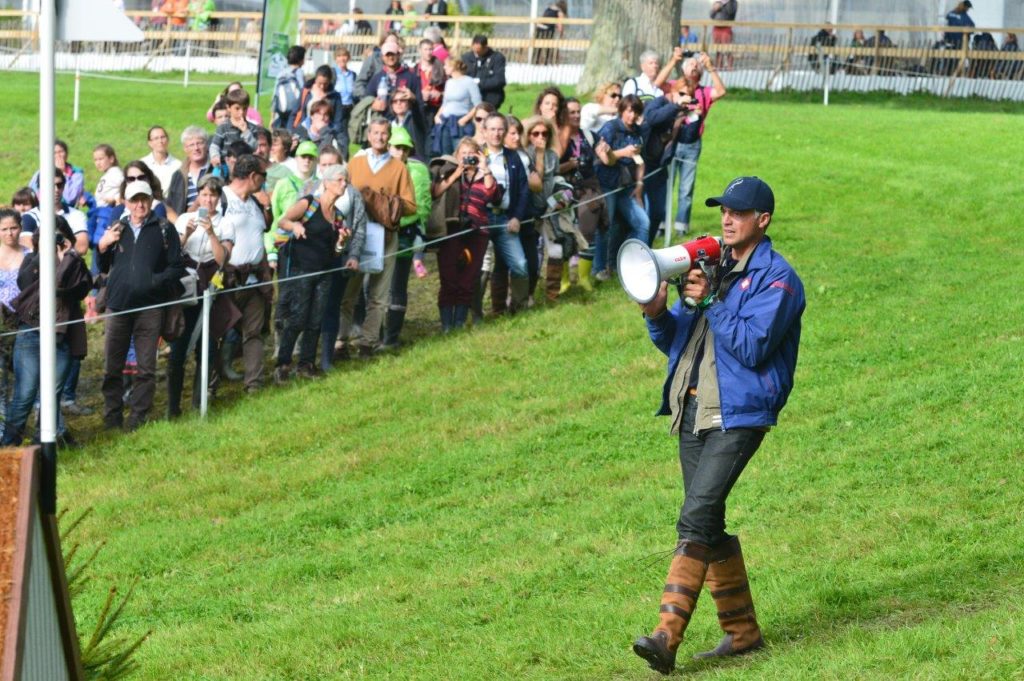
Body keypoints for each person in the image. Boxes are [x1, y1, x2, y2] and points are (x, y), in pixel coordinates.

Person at [631, 176, 805, 675]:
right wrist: (657, 312)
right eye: (723, 210)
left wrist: (711, 300)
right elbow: (679, 343)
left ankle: (666, 635)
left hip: (739, 416)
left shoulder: (779, 280)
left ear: (762, 220)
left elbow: (752, 347)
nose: (726, 219)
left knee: (696, 516)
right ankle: (743, 633)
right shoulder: (713, 267)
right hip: (693, 409)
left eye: (738, 212)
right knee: (707, 520)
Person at [96, 179, 185, 431]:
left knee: (146, 367)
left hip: (150, 308)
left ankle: (138, 417)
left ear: (150, 200)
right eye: (134, 200)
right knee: (112, 367)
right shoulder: (117, 228)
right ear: (126, 202)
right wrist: (102, 245)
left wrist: (154, 281)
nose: (139, 205)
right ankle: (112, 417)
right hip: (118, 306)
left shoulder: (165, 229)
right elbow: (102, 267)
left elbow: (177, 266)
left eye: (143, 199)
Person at [2, 216, 91, 447]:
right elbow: (24, 283)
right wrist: (44, 254)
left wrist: (69, 257)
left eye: (58, 236)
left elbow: (80, 288)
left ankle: (42, 445)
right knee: (25, 394)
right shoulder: (32, 259)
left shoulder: (73, 261)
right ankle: (8, 447)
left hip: (61, 335)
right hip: (31, 331)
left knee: (51, 396)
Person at [342, 118, 417, 356]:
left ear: (389, 136)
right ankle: (340, 341)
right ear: (368, 134)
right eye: (375, 133)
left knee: (378, 293)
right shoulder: (356, 163)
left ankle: (368, 341)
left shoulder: (398, 168)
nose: (379, 137)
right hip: (357, 233)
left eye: (384, 133)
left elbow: (411, 205)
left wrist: (387, 204)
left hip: (384, 235)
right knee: (348, 291)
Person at [273, 164, 355, 381]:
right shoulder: (309, 203)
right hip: (301, 269)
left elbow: (336, 252)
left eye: (345, 180)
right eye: (339, 180)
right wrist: (295, 227)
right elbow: (282, 220)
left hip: (325, 272)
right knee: (297, 318)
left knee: (316, 319)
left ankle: (306, 365)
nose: (343, 184)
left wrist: (341, 242)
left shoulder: (338, 216)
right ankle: (283, 365)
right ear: (326, 183)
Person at [167, 175, 234, 417]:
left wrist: (213, 234)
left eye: (213, 195)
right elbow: (173, 254)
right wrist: (184, 234)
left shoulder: (226, 223)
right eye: (204, 195)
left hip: (211, 288)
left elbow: (222, 259)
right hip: (185, 288)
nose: (209, 200)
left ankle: (198, 404)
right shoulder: (185, 218)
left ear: (219, 198)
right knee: (178, 348)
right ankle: (172, 407)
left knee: (206, 347)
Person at [430, 137, 499, 331]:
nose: (468, 158)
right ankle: (446, 325)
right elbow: (435, 193)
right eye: (464, 154)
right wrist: (455, 174)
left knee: (468, 278)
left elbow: (492, 195)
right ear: (456, 156)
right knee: (449, 277)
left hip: (478, 232)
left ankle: (459, 323)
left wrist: (485, 168)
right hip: (452, 230)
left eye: (472, 154)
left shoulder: (484, 174)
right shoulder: (449, 171)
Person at [221, 154, 273, 393]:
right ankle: (210, 385)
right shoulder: (220, 198)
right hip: (226, 280)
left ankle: (254, 384)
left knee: (253, 334)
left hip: (254, 281)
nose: (265, 181)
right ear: (253, 176)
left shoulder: (255, 203)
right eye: (263, 176)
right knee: (217, 333)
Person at [382, 125, 431, 349]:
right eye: (396, 148)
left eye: (404, 148)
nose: (400, 153)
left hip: (403, 236)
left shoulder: (418, 171)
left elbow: (419, 208)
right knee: (371, 287)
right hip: (378, 236)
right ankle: (372, 335)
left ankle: (391, 337)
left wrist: (391, 222)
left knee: (397, 286)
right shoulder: (376, 166)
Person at [668, 53, 726, 237]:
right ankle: (661, 223)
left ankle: (681, 225)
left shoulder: (704, 92)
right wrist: (673, 61)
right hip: (672, 142)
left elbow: (722, 91)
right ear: (683, 69)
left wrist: (710, 67)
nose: (694, 66)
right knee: (667, 184)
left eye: (696, 65)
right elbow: (658, 83)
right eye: (690, 64)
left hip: (693, 144)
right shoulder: (674, 87)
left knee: (686, 187)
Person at [592, 94, 648, 281]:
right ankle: (599, 269)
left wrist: (640, 184)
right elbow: (603, 158)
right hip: (607, 185)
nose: (632, 116)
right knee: (605, 227)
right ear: (622, 110)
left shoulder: (637, 132)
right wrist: (624, 152)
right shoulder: (610, 129)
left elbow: (641, 162)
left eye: (636, 112)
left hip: (628, 186)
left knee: (643, 224)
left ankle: (635, 265)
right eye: (629, 111)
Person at [479, 113, 530, 315]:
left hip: (505, 219)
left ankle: (518, 309)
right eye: (492, 129)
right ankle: (475, 313)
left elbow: (524, 189)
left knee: (520, 265)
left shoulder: (513, 156)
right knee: (481, 268)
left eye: (500, 129)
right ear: (484, 131)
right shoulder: (478, 155)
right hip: (482, 220)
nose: (496, 133)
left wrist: (517, 216)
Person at [557, 96, 604, 292]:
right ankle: (564, 281)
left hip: (588, 189)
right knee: (564, 234)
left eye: (578, 111)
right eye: (571, 112)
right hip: (563, 190)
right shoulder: (557, 137)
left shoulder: (590, 135)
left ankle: (584, 278)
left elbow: (605, 158)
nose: (576, 115)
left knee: (588, 230)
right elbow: (551, 168)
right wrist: (567, 165)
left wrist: (610, 153)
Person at [433, 57, 481, 156]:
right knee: (445, 153)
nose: (444, 67)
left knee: (460, 153)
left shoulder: (469, 82)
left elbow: (478, 104)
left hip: (460, 123)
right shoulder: (449, 82)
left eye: (446, 65)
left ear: (453, 67)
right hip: (445, 121)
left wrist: (465, 119)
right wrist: (437, 116)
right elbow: (445, 103)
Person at [210, 87, 259, 169]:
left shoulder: (252, 128)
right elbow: (215, 145)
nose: (241, 112)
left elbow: (255, 147)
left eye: (244, 109)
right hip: (225, 165)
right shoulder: (223, 127)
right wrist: (215, 156)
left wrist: (245, 131)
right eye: (237, 108)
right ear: (229, 108)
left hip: (245, 166)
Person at [30, 140, 85, 209]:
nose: (58, 156)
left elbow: (70, 199)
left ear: (66, 153)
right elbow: (31, 193)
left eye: (61, 152)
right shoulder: (40, 173)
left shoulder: (76, 174)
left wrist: (62, 173)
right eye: (54, 153)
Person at [141, 126, 185, 211]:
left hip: (171, 208)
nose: (160, 141)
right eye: (156, 138)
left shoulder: (178, 165)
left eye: (162, 137)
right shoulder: (143, 164)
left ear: (167, 140)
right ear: (150, 143)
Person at [463, 35, 507, 109]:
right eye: (475, 50)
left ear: (485, 47)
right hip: (469, 98)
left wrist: (479, 82)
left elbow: (499, 80)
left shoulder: (497, 58)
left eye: (479, 50)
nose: (477, 53)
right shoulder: (466, 58)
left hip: (490, 98)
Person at [385, 87, 429, 160]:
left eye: (402, 100)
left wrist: (414, 100)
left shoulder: (415, 120)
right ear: (391, 105)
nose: (398, 103)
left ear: (409, 103)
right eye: (395, 101)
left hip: (414, 161)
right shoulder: (390, 124)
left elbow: (418, 113)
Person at [178, 126, 214, 212]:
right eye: (191, 145)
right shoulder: (179, 175)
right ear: (185, 149)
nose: (196, 148)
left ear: (207, 145)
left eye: (200, 143)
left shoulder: (216, 170)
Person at [272, 45, 307, 130]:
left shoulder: (281, 73)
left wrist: (272, 116)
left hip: (280, 109)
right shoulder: (299, 73)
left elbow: (275, 95)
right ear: (301, 60)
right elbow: (303, 92)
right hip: (294, 110)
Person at [333, 47, 357, 155]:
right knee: (340, 134)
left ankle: (344, 155)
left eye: (344, 56)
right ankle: (342, 155)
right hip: (337, 107)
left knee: (348, 133)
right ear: (335, 59)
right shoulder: (333, 73)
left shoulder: (353, 75)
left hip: (349, 107)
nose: (342, 59)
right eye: (339, 56)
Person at [416, 38, 446, 124]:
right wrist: (420, 94)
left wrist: (440, 94)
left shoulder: (440, 69)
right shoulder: (414, 70)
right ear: (420, 50)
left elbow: (450, 89)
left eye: (430, 49)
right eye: (425, 49)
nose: (428, 52)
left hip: (436, 108)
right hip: (419, 108)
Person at [533, 86, 569, 156]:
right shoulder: (531, 124)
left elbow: (558, 154)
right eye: (547, 103)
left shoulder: (564, 128)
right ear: (540, 106)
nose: (550, 107)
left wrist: (553, 123)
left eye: (554, 105)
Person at [535, 0, 567, 65]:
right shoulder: (559, 12)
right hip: (548, 30)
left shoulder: (548, 8)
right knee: (549, 47)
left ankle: (536, 61)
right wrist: (561, 34)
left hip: (539, 28)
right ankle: (547, 63)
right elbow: (560, 26)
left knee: (538, 47)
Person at [710, 0, 738, 70]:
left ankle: (730, 66)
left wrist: (721, 5)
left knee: (727, 49)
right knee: (718, 49)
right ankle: (719, 66)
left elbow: (731, 12)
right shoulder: (717, 2)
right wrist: (714, 9)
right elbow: (711, 16)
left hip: (726, 28)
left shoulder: (733, 2)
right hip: (716, 28)